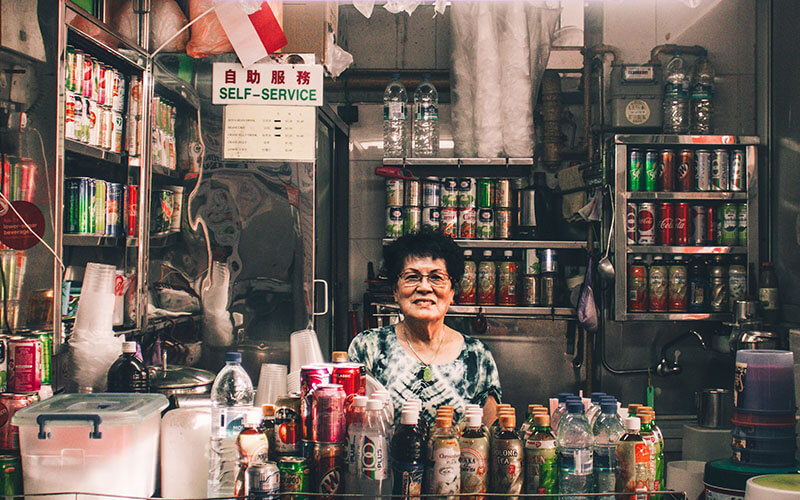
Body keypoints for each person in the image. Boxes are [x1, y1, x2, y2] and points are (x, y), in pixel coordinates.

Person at [348, 230, 501, 425]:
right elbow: (353, 425)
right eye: (412, 277)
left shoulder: (477, 356)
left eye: (436, 277)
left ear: (452, 291)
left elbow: (490, 436)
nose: (424, 287)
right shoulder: (368, 347)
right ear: (396, 290)